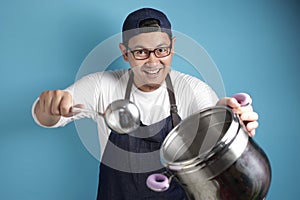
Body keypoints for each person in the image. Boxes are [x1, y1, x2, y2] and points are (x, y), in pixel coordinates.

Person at [32, 7, 259, 200]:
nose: (153, 61)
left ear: (173, 47)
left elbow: (217, 145)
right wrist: (49, 107)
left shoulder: (193, 90)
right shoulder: (102, 86)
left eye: (161, 50)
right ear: (125, 53)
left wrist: (234, 127)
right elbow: (45, 119)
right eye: (141, 52)